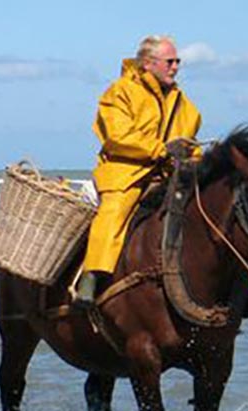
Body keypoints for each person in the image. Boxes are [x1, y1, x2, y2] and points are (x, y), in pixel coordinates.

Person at [76, 34, 201, 304]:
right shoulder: (119, 92)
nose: (175, 67)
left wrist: (196, 159)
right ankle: (92, 275)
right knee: (115, 210)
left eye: (177, 61)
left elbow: (191, 142)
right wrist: (161, 150)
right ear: (147, 63)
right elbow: (117, 137)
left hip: (168, 174)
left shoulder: (183, 103)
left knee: (211, 211)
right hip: (126, 172)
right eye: (170, 61)